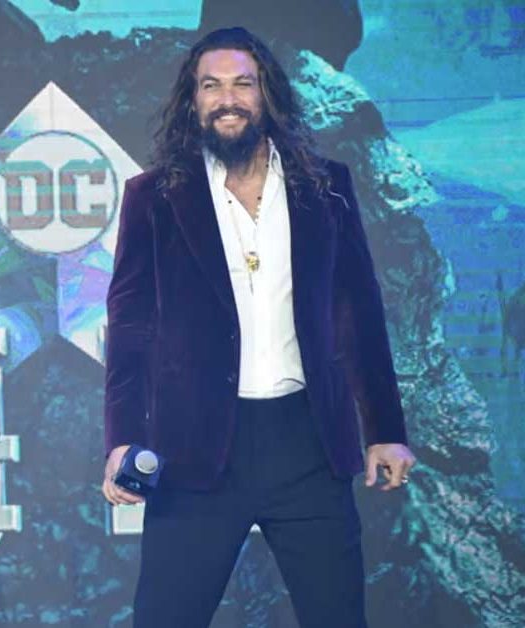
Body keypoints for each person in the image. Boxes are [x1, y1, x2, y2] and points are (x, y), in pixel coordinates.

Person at [101, 27, 416, 628]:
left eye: (242, 84)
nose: (228, 99)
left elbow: (358, 312)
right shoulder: (153, 197)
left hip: (308, 445)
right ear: (191, 101)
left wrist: (385, 430)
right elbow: (130, 328)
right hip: (194, 449)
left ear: (266, 94)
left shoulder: (325, 186)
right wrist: (122, 437)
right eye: (211, 86)